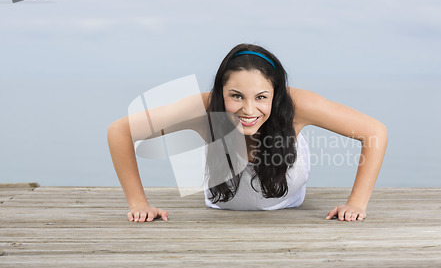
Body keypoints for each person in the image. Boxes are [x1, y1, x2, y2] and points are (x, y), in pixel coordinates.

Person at [107, 43, 388, 223]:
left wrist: (356, 203)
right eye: (236, 96)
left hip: (287, 203)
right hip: (223, 204)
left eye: (261, 97)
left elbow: (374, 132)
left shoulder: (297, 105)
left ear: (275, 96)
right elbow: (119, 131)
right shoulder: (203, 108)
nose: (249, 109)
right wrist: (138, 203)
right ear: (221, 93)